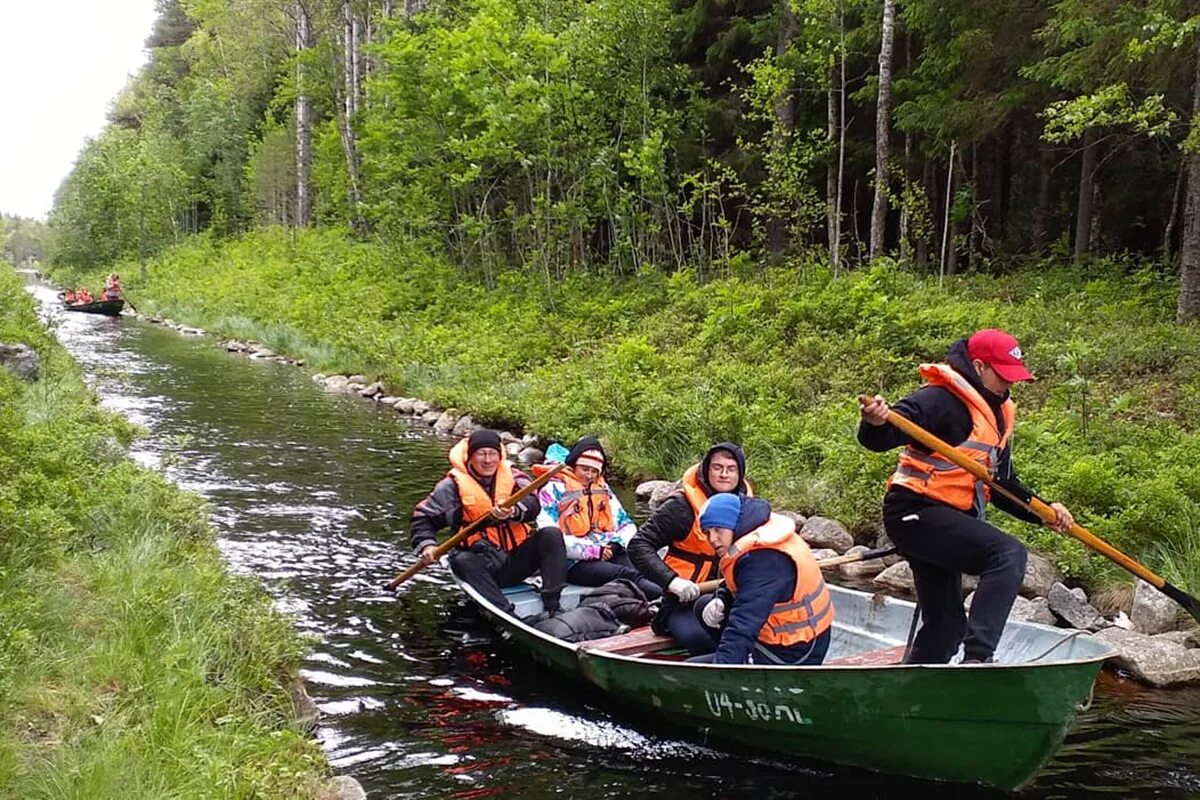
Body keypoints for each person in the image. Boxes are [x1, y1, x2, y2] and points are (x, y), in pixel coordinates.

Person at [857, 328, 1075, 664]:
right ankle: (978, 661)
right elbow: (882, 438)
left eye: (1014, 377)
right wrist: (874, 422)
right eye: (1003, 376)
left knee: (945, 628)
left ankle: (913, 692)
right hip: (914, 513)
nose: (1010, 384)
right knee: (1007, 554)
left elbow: (1002, 485)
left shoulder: (999, 414)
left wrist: (1044, 512)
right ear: (978, 366)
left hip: (948, 521)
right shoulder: (940, 399)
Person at [410, 429, 567, 619]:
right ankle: (506, 614)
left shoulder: (515, 477)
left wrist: (513, 511)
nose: (488, 460)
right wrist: (428, 545)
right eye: (481, 454)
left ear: (499, 456)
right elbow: (422, 518)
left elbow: (533, 505)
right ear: (470, 457)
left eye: (493, 453)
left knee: (551, 534)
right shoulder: (451, 487)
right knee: (461, 560)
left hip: (514, 560)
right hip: (482, 564)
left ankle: (553, 604)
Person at [628, 442, 751, 653]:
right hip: (685, 599)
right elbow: (639, 545)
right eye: (717, 468)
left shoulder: (747, 507)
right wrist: (672, 581)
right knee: (701, 639)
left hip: (731, 593)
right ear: (706, 469)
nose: (724, 475)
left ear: (740, 474)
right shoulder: (681, 507)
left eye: (731, 469)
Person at [689, 493, 833, 665]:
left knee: (689, 666)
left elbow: (743, 624)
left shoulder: (764, 561)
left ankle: (742, 663)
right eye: (707, 532)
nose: (712, 539)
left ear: (735, 524)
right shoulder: (754, 536)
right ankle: (737, 657)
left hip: (795, 652)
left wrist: (721, 671)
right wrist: (721, 597)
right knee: (704, 605)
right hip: (792, 637)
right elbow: (739, 585)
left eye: (718, 529)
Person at [535, 436, 662, 601]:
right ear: (573, 465)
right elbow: (549, 536)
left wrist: (615, 545)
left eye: (594, 471)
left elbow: (626, 525)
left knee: (643, 566)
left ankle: (658, 600)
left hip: (607, 550)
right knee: (626, 575)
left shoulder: (602, 489)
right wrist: (595, 551)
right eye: (584, 469)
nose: (589, 475)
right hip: (572, 562)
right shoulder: (552, 490)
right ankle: (660, 597)